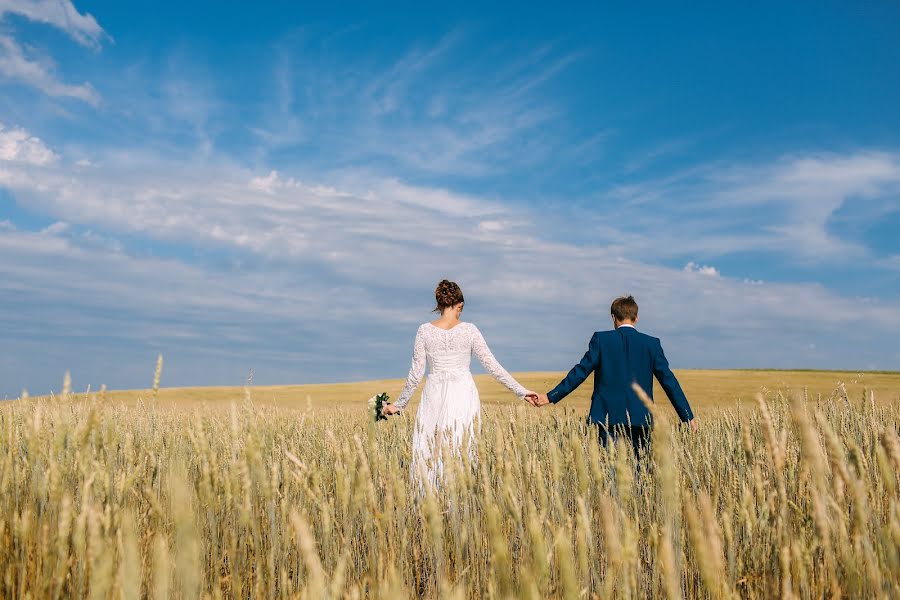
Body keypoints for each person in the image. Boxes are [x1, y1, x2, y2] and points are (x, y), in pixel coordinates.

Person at [383, 280, 537, 487]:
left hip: (434, 393)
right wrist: (522, 391)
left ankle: (430, 497)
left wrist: (399, 405)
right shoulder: (469, 330)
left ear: (438, 305)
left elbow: (415, 374)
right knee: (461, 445)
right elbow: (493, 366)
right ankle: (458, 497)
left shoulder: (424, 331)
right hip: (462, 393)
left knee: (430, 448)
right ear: (460, 305)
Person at [531, 295, 696, 456]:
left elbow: (579, 372)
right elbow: (669, 382)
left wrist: (550, 396)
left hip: (608, 419)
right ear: (636, 318)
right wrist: (687, 416)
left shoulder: (601, 340)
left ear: (613, 317)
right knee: (639, 475)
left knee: (612, 474)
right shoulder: (651, 344)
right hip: (641, 419)